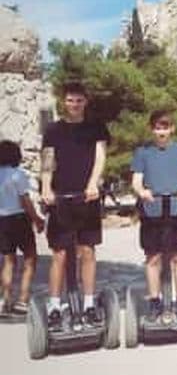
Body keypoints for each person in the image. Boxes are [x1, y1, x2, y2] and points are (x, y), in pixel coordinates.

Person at [41, 81, 110, 327]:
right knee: (59, 253)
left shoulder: (96, 127)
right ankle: (54, 305)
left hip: (87, 196)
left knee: (87, 250)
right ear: (64, 101)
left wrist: (93, 184)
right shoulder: (53, 130)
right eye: (70, 100)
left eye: (79, 100)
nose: (75, 104)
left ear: (85, 101)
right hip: (61, 195)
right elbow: (47, 160)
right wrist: (46, 187)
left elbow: (100, 156)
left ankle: (89, 303)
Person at [131, 110, 177, 320]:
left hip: (176, 209)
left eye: (165, 128)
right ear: (152, 129)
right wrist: (142, 192)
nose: (161, 132)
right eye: (157, 128)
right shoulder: (143, 152)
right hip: (152, 210)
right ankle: (154, 302)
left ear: (172, 129)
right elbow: (136, 180)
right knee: (153, 258)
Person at [0, 140, 45, 315]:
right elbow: (25, 200)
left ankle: (5, 299)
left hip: (2, 220)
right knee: (30, 258)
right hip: (19, 218)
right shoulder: (18, 174)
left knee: (8, 260)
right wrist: (37, 219)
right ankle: (23, 299)